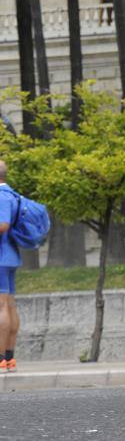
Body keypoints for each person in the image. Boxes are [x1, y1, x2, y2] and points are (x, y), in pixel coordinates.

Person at [0, 160, 20, 373]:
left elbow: (3, 224)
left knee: (2, 306)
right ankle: (9, 357)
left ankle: (1, 358)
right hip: (10, 256)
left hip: (1, 257)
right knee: (10, 305)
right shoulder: (13, 195)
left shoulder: (1, 196)